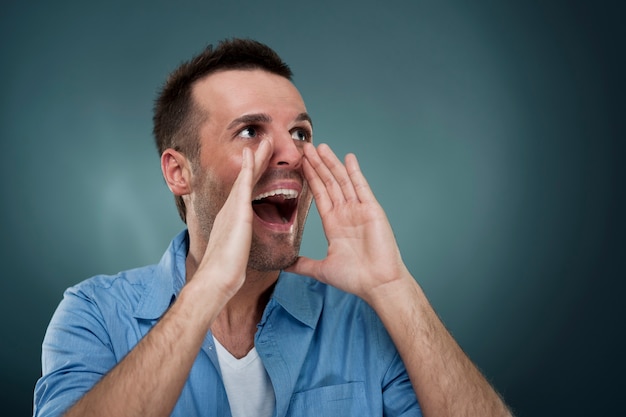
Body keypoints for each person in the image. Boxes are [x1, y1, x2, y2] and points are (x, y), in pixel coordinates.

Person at [33, 38, 512, 417]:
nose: (290, 154)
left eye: (299, 133)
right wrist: (209, 289)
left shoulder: (363, 323)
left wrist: (394, 288)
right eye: (250, 132)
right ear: (179, 173)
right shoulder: (93, 315)